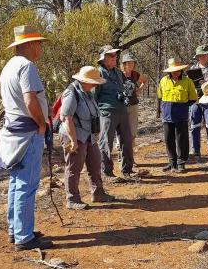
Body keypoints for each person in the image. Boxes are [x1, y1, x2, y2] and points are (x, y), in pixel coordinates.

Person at [0, 25, 53, 252]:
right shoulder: (27, 66)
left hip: (14, 132)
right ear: (29, 44)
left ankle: (15, 230)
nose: (40, 48)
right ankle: (24, 236)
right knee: (27, 185)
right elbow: (30, 101)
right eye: (38, 43)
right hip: (28, 132)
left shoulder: (8, 66)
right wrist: (41, 124)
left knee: (16, 183)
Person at [59, 66, 114, 210]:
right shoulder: (71, 93)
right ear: (84, 80)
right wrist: (73, 140)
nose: (95, 84)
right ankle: (72, 199)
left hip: (89, 136)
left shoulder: (88, 92)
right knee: (74, 168)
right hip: (75, 135)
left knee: (95, 163)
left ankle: (98, 193)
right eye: (93, 82)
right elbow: (66, 119)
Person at [95, 45, 136, 181]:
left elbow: (123, 88)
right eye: (111, 56)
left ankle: (127, 170)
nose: (115, 57)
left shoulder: (118, 72)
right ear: (103, 58)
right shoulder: (98, 73)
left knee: (127, 141)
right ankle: (107, 172)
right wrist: (95, 118)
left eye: (115, 55)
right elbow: (94, 96)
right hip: (106, 112)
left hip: (122, 110)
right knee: (106, 142)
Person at [158, 58, 197, 173]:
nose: (176, 72)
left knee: (182, 139)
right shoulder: (163, 81)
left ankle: (181, 163)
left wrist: (182, 107)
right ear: (169, 71)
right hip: (167, 116)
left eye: (179, 70)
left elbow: (192, 98)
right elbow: (160, 96)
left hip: (181, 116)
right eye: (174, 70)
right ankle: (172, 162)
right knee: (169, 139)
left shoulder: (187, 81)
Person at [188, 45, 208, 163]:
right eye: (200, 56)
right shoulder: (192, 70)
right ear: (198, 57)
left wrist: (207, 83)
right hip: (195, 100)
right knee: (194, 125)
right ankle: (195, 150)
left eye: (205, 55)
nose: (203, 57)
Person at [120, 51, 147, 155]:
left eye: (132, 63)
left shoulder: (135, 74)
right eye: (128, 63)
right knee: (122, 132)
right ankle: (121, 156)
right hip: (122, 106)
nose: (131, 65)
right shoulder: (119, 75)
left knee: (132, 132)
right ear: (124, 64)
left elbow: (145, 81)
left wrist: (139, 90)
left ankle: (130, 156)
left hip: (134, 105)